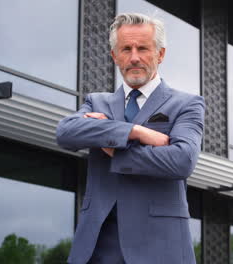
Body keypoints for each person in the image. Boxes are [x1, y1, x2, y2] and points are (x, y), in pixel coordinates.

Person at [56, 13, 204, 264]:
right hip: (97, 245)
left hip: (160, 246)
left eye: (143, 48)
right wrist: (134, 132)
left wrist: (114, 148)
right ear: (115, 56)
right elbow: (66, 133)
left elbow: (182, 160)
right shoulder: (96, 101)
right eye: (126, 49)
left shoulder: (187, 104)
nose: (134, 57)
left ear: (160, 54)